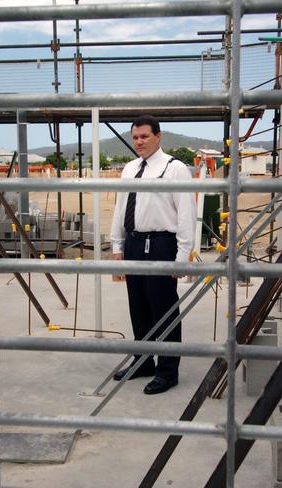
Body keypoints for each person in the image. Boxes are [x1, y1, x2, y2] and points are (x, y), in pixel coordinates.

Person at [110, 115, 197, 395]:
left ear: (158, 137)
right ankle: (144, 361)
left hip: (161, 244)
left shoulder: (175, 169)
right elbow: (120, 208)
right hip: (134, 243)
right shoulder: (130, 169)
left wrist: (183, 255)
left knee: (164, 309)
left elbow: (186, 213)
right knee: (139, 307)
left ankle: (168, 371)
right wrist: (116, 247)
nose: (139, 142)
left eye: (145, 137)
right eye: (135, 137)